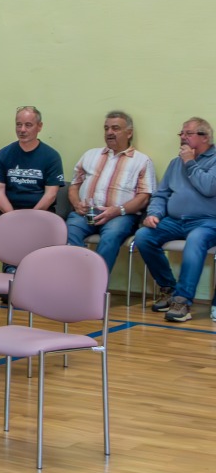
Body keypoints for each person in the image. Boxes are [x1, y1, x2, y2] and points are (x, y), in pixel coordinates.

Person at [135, 117, 216, 323]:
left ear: (205, 137)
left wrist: (190, 162)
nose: (182, 137)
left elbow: (208, 188)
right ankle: (169, 289)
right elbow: (161, 194)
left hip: (206, 222)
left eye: (188, 133)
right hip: (175, 221)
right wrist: (154, 213)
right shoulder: (174, 163)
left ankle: (182, 301)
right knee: (144, 236)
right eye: (181, 133)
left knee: (196, 240)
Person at [65, 111, 156, 273]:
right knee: (68, 231)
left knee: (110, 237)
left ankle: (96, 283)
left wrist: (118, 210)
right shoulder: (90, 155)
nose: (109, 132)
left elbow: (144, 197)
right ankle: (79, 278)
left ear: (129, 133)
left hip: (120, 215)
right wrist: (77, 204)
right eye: (106, 128)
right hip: (86, 213)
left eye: (115, 128)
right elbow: (74, 185)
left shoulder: (141, 161)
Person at [0, 106, 65, 215]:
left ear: (39, 126)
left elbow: (51, 195)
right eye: (19, 124)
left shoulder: (51, 156)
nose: (22, 130)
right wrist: (13, 216)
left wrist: (30, 217)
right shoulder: (4, 154)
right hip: (9, 212)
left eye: (28, 125)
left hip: (41, 213)